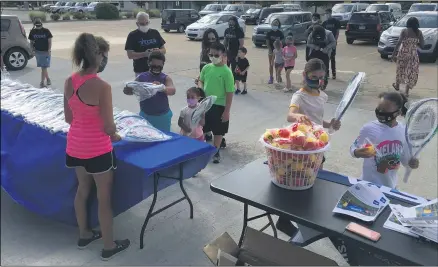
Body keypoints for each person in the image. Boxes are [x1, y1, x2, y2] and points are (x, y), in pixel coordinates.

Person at [64, 33, 130, 260]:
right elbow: (109, 127)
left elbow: (69, 119)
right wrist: (117, 135)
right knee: (104, 198)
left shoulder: (69, 80)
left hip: (75, 147)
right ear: (99, 55)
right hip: (98, 150)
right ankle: (109, 245)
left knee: (82, 190)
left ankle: (84, 234)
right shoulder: (102, 86)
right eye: (105, 55)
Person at [277, 58, 341, 237]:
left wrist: (331, 124)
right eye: (314, 77)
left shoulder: (322, 95)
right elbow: (290, 115)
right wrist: (298, 117)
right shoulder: (299, 95)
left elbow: (319, 120)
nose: (318, 81)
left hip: (317, 146)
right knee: (297, 180)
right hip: (301, 147)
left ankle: (304, 216)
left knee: (312, 182)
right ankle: (284, 219)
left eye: (321, 78)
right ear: (305, 75)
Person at [350, 92, 419, 188]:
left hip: (390, 187)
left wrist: (412, 163)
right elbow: (353, 149)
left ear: (398, 113)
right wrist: (357, 152)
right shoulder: (368, 128)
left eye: (385, 110)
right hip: (367, 184)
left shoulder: (404, 132)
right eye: (379, 109)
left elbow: (406, 160)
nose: (380, 112)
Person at [197, 42, 235, 163]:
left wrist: (227, 111)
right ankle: (204, 147)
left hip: (219, 105)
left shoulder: (227, 72)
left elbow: (229, 92)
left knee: (218, 130)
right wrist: (201, 89)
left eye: (216, 55)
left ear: (223, 55)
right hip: (205, 103)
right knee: (203, 126)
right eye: (211, 54)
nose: (213, 57)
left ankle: (216, 149)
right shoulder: (206, 68)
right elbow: (200, 80)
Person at [123, 51, 176, 132]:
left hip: (162, 116)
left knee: (163, 140)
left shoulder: (165, 78)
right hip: (145, 115)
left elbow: (172, 90)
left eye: (159, 66)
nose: (156, 67)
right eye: (154, 65)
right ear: (148, 63)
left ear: (163, 65)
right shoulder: (141, 77)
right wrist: (128, 89)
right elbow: (130, 91)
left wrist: (162, 88)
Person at [125, 12, 166, 78]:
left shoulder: (155, 33)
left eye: (146, 23)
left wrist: (158, 51)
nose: (145, 25)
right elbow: (130, 55)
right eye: (142, 24)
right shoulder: (132, 35)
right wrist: (145, 54)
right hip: (140, 71)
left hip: (156, 70)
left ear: (149, 22)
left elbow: (164, 50)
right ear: (137, 24)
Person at [392, 17, 424, 97]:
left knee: (400, 69)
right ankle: (406, 92)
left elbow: (398, 43)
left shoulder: (404, 31)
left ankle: (397, 85)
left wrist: (393, 54)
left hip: (403, 53)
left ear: (408, 23)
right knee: (411, 72)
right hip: (413, 54)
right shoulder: (419, 33)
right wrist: (415, 43)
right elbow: (422, 46)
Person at [306, 25, 336, 90]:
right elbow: (308, 43)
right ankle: (312, 84)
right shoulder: (312, 34)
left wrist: (327, 48)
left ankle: (324, 84)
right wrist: (315, 47)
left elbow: (333, 42)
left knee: (324, 69)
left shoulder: (329, 33)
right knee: (312, 68)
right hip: (314, 52)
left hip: (325, 53)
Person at [28, 18, 52, 88]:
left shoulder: (46, 31)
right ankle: (47, 79)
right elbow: (31, 42)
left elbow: (49, 41)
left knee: (44, 67)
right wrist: (32, 50)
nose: (38, 27)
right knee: (43, 67)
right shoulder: (32, 31)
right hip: (37, 52)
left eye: (39, 26)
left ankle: (42, 82)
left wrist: (49, 50)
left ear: (42, 24)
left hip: (45, 52)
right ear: (35, 25)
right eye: (37, 26)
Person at [322, 9, 341, 79]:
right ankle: (326, 73)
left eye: (327, 13)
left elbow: (337, 32)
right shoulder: (324, 23)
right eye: (325, 13)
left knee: (332, 58)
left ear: (330, 13)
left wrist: (335, 41)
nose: (326, 15)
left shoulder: (336, 22)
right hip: (326, 44)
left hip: (332, 42)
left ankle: (334, 73)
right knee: (326, 59)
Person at [265, 19, 284, 84]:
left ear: (278, 25)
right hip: (271, 50)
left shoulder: (280, 33)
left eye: (276, 24)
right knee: (271, 64)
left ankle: (278, 76)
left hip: (279, 51)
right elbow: (267, 42)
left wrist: (280, 50)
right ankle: (271, 77)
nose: (275, 25)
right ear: (271, 24)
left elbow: (282, 42)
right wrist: (270, 50)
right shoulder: (269, 33)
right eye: (274, 23)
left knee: (279, 64)